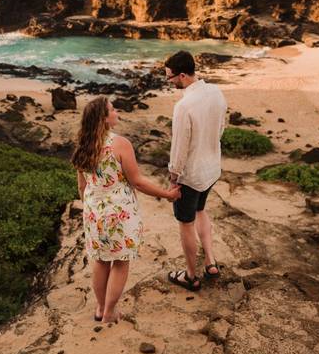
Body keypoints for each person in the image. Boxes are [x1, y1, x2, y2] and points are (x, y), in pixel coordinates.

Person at [73, 96, 181, 323]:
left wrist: (94, 209)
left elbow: (82, 187)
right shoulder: (120, 144)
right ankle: (110, 312)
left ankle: (100, 308)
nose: (116, 112)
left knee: (101, 261)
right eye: (112, 109)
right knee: (121, 262)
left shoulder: (83, 145)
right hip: (119, 213)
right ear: (104, 119)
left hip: (93, 212)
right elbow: (138, 182)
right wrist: (167, 194)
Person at [164, 50, 228, 292]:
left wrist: (173, 177)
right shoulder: (216, 92)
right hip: (212, 168)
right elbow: (220, 128)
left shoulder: (184, 106)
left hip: (190, 176)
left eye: (170, 78)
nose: (169, 83)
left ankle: (190, 276)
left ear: (182, 75)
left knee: (186, 223)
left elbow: (179, 149)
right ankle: (210, 262)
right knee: (201, 210)